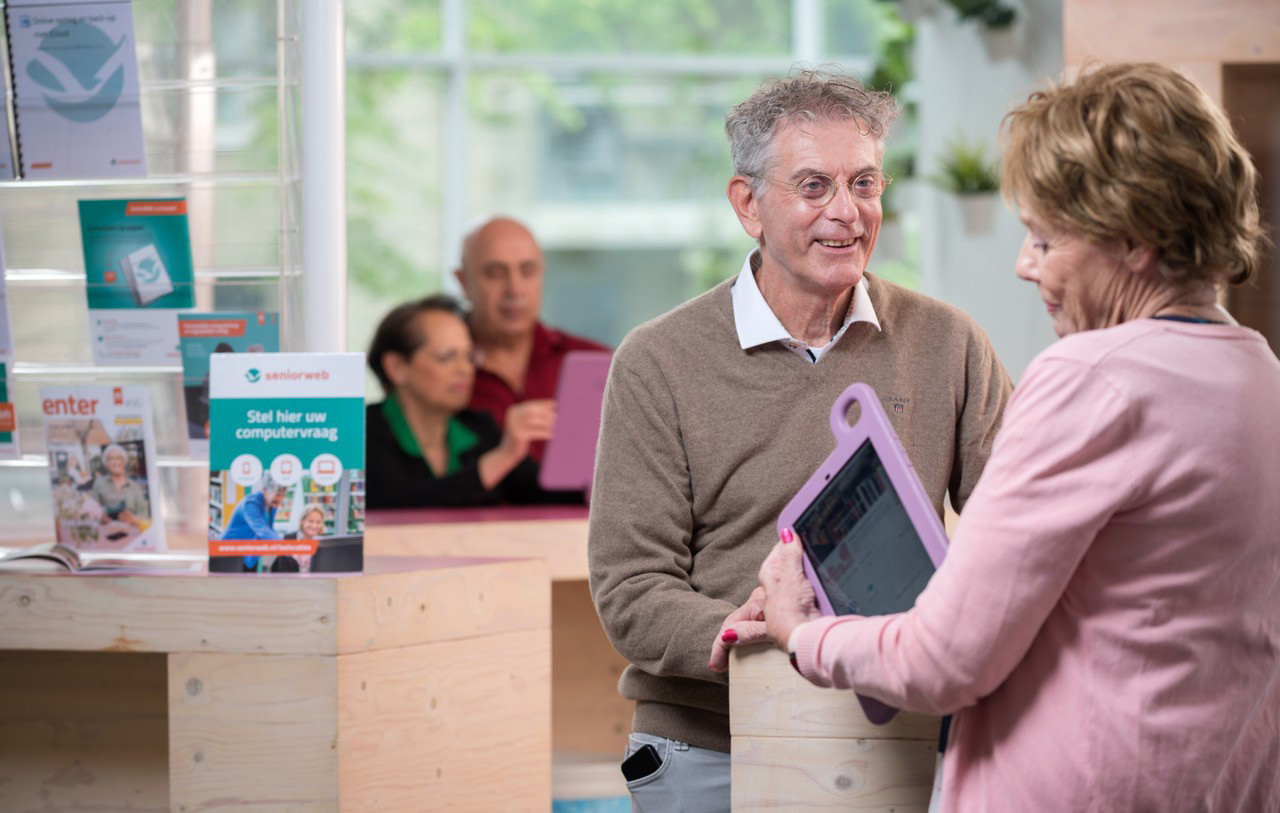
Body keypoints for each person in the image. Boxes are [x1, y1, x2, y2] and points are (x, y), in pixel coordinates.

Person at [721, 63, 1280, 812]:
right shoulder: (1260, 376)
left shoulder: (1090, 376)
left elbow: (944, 658)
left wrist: (801, 634)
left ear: (1137, 239)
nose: (1025, 265)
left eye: (1046, 239)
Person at [588, 70, 1012, 812]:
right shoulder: (657, 360)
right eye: (814, 186)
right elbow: (630, 587)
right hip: (714, 739)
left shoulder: (950, 341)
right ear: (747, 204)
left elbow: (1016, 528)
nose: (847, 212)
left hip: (901, 728)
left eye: (866, 184)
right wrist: (741, 629)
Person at [366, 294, 555, 509]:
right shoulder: (363, 433)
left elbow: (546, 494)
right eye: (446, 356)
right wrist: (502, 458)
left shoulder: (480, 428)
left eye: (469, 356)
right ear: (397, 367)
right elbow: (400, 506)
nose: (465, 369)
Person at [454, 216, 609, 460]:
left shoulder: (598, 363)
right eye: (495, 274)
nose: (515, 289)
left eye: (528, 271)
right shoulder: (433, 371)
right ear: (463, 282)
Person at [90, 443, 149, 530]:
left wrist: (133, 519)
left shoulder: (134, 486)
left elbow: (143, 512)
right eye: (111, 459)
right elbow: (92, 509)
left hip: (130, 532)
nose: (115, 462)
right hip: (106, 531)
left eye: (118, 458)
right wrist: (100, 516)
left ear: (124, 461)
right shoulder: (99, 483)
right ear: (106, 463)